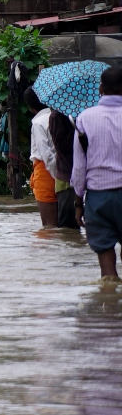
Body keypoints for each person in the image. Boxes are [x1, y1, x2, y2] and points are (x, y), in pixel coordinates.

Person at [73, 67, 122, 280]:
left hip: (98, 196)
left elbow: (79, 168)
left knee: (105, 258)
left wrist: (77, 203)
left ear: (101, 88)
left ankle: (109, 303)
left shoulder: (84, 118)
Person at [25, 87, 58, 228]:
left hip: (46, 172)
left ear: (31, 107)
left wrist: (55, 175)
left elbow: (45, 154)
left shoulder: (38, 123)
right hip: (63, 170)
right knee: (62, 226)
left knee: (49, 226)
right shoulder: (58, 116)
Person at [49, 109, 80, 229]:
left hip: (86, 177)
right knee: (68, 228)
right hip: (67, 178)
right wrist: (77, 128)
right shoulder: (56, 117)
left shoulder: (80, 114)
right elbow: (61, 146)